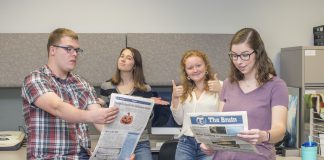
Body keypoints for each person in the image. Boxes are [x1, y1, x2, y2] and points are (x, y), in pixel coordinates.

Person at [21, 28, 120, 160]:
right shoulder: (35, 79)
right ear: (52, 50)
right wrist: (91, 116)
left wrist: (120, 146)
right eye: (69, 49)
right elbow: (58, 107)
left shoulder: (82, 83)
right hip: (49, 156)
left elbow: (99, 120)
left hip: (82, 156)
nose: (74, 54)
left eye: (77, 50)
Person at [200, 28, 288, 160]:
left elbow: (280, 130)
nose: (239, 61)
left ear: (258, 53)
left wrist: (264, 136)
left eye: (245, 55)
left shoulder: (276, 86)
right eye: (234, 55)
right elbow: (219, 127)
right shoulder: (228, 84)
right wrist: (210, 144)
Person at [99, 47, 168, 160]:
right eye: (122, 56)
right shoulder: (106, 86)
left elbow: (147, 120)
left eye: (128, 58)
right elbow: (103, 117)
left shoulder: (145, 88)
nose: (123, 60)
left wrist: (149, 105)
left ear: (135, 65)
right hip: (114, 142)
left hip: (139, 142)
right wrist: (101, 104)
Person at [171, 50, 222, 160]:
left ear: (206, 66)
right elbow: (179, 121)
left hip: (210, 142)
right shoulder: (182, 91)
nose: (195, 70)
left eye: (198, 65)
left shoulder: (219, 85)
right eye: (190, 68)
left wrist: (221, 91)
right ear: (186, 72)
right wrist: (174, 98)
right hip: (186, 143)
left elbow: (228, 114)